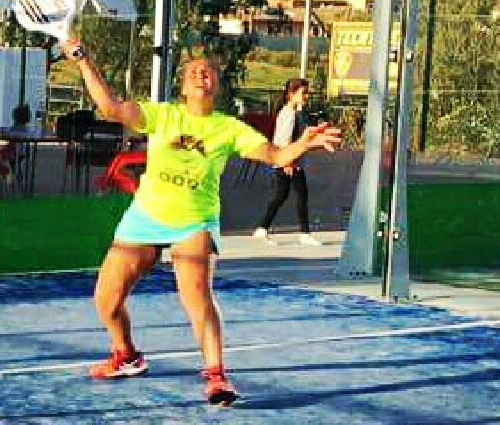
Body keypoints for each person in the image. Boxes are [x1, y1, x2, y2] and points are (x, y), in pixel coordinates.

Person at [61, 39, 341, 405]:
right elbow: (109, 107)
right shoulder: (162, 115)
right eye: (193, 71)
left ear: (216, 85)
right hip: (145, 215)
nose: (200, 74)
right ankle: (126, 355)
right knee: (105, 300)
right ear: (182, 86)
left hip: (194, 221)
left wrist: (303, 144)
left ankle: (216, 376)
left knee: (196, 297)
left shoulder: (229, 128)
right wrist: (82, 59)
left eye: (207, 72)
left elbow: (276, 155)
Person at [252, 77, 322, 246]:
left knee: (284, 195)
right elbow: (284, 138)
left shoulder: (291, 112)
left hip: (289, 160)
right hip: (289, 161)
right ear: (291, 94)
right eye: (303, 93)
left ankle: (263, 228)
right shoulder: (288, 113)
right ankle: (303, 233)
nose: (306, 96)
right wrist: (288, 162)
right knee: (295, 195)